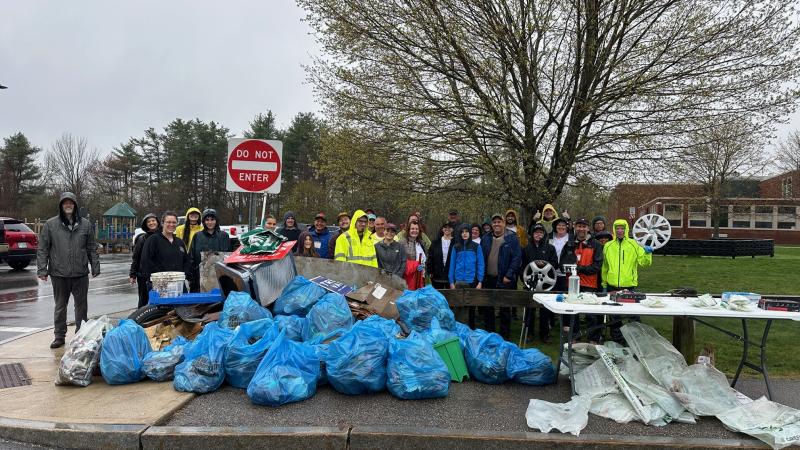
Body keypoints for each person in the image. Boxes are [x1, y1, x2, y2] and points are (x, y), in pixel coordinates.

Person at [37, 192, 100, 349]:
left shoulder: (85, 224)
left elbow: (92, 247)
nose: (68, 205)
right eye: (65, 203)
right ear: (60, 205)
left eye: (71, 203)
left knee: (81, 306)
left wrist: (95, 266)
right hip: (59, 273)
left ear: (75, 205)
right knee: (60, 306)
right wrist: (42, 269)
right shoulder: (50, 225)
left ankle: (80, 335)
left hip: (80, 273)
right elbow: (43, 248)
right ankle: (59, 336)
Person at [602, 218, 654, 344]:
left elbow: (644, 263)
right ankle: (618, 341)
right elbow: (605, 267)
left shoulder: (634, 244)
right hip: (612, 286)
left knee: (633, 315)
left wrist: (647, 253)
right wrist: (604, 284)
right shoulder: (608, 246)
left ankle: (638, 340)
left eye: (622, 228)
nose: (620, 231)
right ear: (614, 230)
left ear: (626, 230)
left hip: (629, 286)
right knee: (614, 316)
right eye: (617, 228)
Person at [561, 218, 604, 343]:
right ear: (575, 228)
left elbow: (597, 266)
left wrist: (578, 268)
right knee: (573, 312)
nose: (581, 229)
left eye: (584, 226)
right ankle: (574, 337)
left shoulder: (595, 244)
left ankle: (593, 338)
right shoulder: (569, 244)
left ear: (588, 228)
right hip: (572, 283)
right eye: (579, 226)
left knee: (591, 314)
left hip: (590, 283)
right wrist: (568, 267)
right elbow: (562, 263)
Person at [480, 213, 522, 340]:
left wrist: (508, 275)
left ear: (504, 223)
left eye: (499, 222)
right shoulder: (486, 238)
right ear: (491, 225)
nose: (497, 224)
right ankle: (490, 335)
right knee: (489, 308)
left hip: (504, 279)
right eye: (494, 222)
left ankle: (505, 337)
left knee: (504, 309)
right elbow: (481, 257)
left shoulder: (512, 238)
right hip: (489, 278)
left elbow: (517, 258)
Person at [521, 223, 558, 343]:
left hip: (545, 283)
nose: (538, 235)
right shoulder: (526, 248)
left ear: (544, 234)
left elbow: (555, 264)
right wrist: (524, 280)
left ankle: (545, 335)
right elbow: (522, 266)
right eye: (536, 232)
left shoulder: (550, 248)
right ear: (532, 234)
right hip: (530, 283)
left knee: (545, 310)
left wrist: (545, 264)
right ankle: (529, 333)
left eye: (540, 232)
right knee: (530, 310)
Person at [139, 211, 191, 287]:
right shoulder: (153, 240)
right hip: (159, 285)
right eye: (168, 222)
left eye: (174, 222)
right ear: (162, 223)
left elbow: (186, 262)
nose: (171, 225)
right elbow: (145, 262)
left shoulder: (180, 242)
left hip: (178, 284)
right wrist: (156, 279)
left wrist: (185, 274)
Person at [449, 224, 485, 328]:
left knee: (471, 308)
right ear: (460, 234)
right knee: (458, 306)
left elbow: (480, 264)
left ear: (470, 233)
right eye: (462, 232)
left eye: (466, 231)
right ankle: (459, 329)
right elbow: (452, 265)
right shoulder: (456, 247)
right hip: (458, 281)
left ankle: (471, 329)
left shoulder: (476, 246)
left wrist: (480, 281)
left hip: (472, 281)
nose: (465, 234)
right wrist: (451, 282)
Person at [188, 209, 231, 292]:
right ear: (203, 221)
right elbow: (191, 257)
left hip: (220, 276)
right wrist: (192, 277)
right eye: (207, 220)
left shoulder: (224, 236)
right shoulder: (197, 236)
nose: (210, 222)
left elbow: (228, 256)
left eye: (212, 219)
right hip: (201, 277)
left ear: (216, 221)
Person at [129, 213, 160, 308]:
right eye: (149, 222)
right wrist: (132, 274)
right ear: (145, 224)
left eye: (153, 220)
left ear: (157, 222)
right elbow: (136, 257)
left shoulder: (163, 236)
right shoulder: (142, 239)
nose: (151, 223)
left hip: (160, 274)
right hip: (143, 275)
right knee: (143, 300)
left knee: (160, 300)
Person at [427, 222, 455, 289]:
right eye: (445, 227)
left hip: (451, 277)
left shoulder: (456, 243)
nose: (447, 229)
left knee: (451, 297)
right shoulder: (435, 242)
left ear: (452, 229)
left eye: (449, 227)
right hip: (437, 276)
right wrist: (430, 271)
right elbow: (430, 257)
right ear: (442, 229)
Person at [400, 219, 427, 289]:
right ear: (408, 230)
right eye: (412, 228)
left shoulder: (421, 243)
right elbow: (400, 261)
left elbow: (425, 259)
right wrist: (415, 266)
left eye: (416, 229)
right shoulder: (402, 243)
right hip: (407, 278)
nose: (414, 231)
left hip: (420, 277)